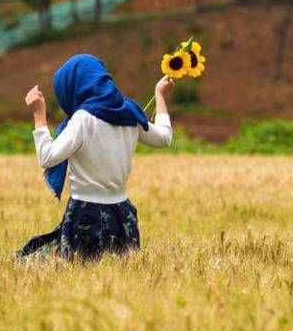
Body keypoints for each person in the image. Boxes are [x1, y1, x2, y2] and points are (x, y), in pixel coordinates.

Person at [16, 54, 174, 262]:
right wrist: (159, 95)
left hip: (85, 216)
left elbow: (47, 157)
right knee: (121, 273)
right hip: (122, 215)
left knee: (57, 266)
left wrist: (39, 114)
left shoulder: (83, 119)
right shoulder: (129, 113)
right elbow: (164, 138)